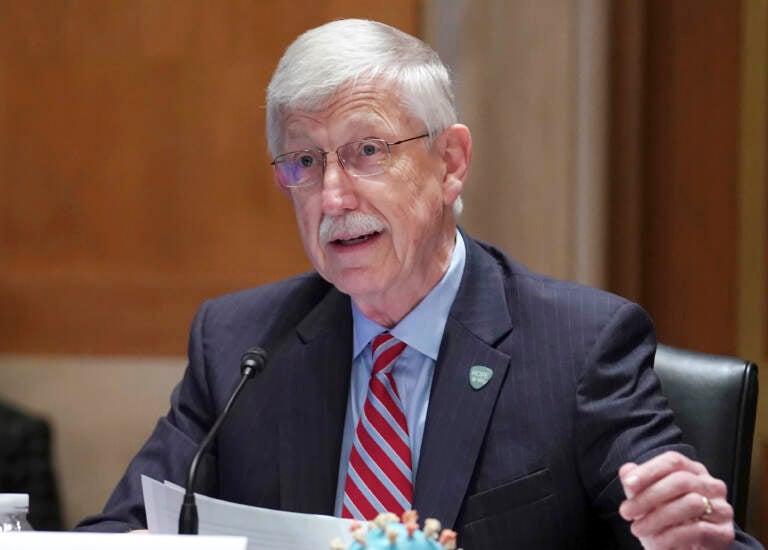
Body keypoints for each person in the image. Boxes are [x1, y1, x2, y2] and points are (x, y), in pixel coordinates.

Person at [76, 19, 761, 549]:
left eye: (366, 152)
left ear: (450, 162)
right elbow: (122, 529)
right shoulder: (240, 347)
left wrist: (689, 533)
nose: (334, 196)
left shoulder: (579, 348)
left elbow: (687, 529)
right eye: (304, 162)